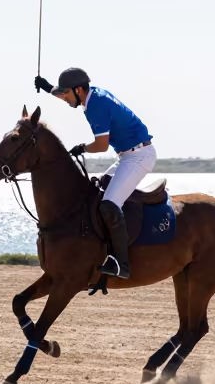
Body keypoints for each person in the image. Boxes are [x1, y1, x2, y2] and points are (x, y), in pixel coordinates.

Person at [35, 68, 154, 279]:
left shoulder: (96, 107)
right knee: (96, 194)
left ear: (78, 90)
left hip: (139, 157)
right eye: (63, 93)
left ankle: (122, 264)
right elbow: (63, 93)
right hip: (128, 155)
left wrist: (81, 147)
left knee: (109, 204)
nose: (65, 98)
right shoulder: (92, 95)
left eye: (67, 94)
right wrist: (46, 87)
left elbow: (101, 145)